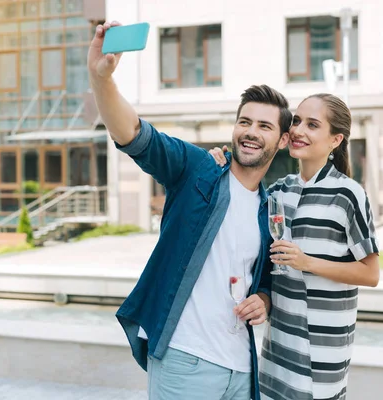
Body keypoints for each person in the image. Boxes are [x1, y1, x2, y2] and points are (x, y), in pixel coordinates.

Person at [87, 21, 293, 400]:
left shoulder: (270, 209)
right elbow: (133, 134)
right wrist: (102, 80)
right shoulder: (198, 169)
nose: (251, 131)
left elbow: (263, 278)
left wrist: (262, 300)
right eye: (244, 121)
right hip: (186, 360)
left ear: (281, 140)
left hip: (242, 367)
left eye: (264, 126)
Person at [210, 93, 380, 400]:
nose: (299, 130)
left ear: (335, 140)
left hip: (322, 352)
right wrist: (218, 163)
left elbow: (371, 274)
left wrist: (307, 262)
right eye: (297, 121)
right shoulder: (278, 191)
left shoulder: (348, 194)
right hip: (278, 348)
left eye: (313, 125)